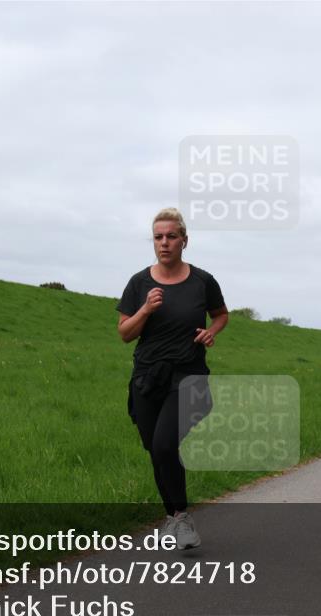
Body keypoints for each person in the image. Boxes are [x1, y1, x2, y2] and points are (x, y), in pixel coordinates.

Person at [116, 207, 229, 549]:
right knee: (156, 448)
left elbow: (221, 315)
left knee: (165, 444)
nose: (164, 242)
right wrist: (146, 309)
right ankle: (173, 518)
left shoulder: (202, 281)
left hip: (188, 377)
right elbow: (124, 333)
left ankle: (181, 519)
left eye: (171, 236)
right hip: (148, 377)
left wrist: (211, 332)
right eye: (158, 237)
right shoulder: (139, 283)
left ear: (184, 240)